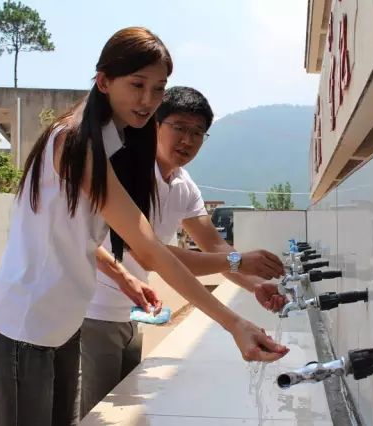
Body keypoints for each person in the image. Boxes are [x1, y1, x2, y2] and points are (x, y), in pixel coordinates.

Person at [0, 27, 288, 426]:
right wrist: (234, 323)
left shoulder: (115, 142)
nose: (147, 100)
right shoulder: (74, 142)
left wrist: (123, 276)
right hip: (24, 331)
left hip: (62, 328)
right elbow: (150, 248)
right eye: (137, 84)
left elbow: (82, 235)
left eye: (158, 89)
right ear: (104, 81)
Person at [80, 86, 287, 416]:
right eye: (179, 127)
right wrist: (237, 262)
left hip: (132, 312)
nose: (187, 140)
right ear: (155, 125)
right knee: (97, 413)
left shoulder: (183, 184)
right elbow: (149, 252)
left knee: (119, 412)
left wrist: (255, 285)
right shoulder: (127, 171)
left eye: (197, 133)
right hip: (93, 310)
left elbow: (214, 244)